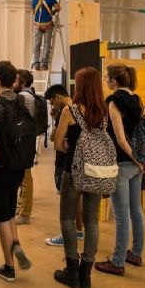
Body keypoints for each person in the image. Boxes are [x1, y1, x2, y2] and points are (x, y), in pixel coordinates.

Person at [53, 67, 107, 288]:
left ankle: (72, 270)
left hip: (72, 170)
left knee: (67, 217)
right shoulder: (103, 112)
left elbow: (57, 144)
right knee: (92, 220)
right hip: (96, 171)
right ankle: (86, 274)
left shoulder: (70, 111)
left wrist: (69, 147)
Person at [95, 63, 144, 276]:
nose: (105, 81)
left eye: (107, 78)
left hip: (123, 163)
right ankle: (136, 253)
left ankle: (117, 261)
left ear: (114, 81)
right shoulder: (137, 99)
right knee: (136, 210)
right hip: (137, 165)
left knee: (121, 215)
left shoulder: (114, 102)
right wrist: (141, 161)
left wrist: (134, 158)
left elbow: (121, 140)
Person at [0, 60, 32, 282]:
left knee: (2, 217)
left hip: (0, 167)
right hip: (19, 166)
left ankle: (9, 267)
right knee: (10, 211)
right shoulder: (22, 101)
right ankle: (15, 243)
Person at [43, 84, 84, 246]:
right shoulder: (80, 109)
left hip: (65, 161)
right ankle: (79, 230)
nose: (53, 106)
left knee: (67, 201)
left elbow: (55, 141)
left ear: (58, 97)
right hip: (78, 160)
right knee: (77, 198)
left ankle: (67, 234)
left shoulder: (67, 111)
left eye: (52, 102)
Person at [13, 69, 36, 225]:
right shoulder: (30, 95)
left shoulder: (24, 97)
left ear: (22, 82)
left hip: (23, 141)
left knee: (25, 177)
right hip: (26, 140)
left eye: (16, 80)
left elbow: (19, 122)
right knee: (23, 176)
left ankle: (24, 213)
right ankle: (22, 208)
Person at [30, 0, 60, 71]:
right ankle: (44, 64)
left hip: (38, 25)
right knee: (47, 44)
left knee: (37, 44)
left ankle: (36, 63)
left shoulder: (34, 0)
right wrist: (52, 12)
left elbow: (34, 12)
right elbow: (58, 8)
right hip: (47, 25)